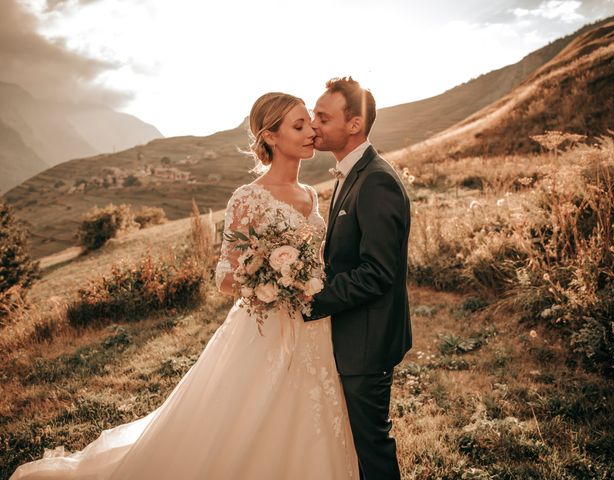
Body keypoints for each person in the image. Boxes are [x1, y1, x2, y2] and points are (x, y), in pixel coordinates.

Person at [10, 92, 358, 479]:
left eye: (310, 121)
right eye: (299, 125)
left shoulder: (311, 195)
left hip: (312, 328)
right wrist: (273, 281)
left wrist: (305, 279)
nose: (311, 130)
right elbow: (224, 277)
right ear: (271, 137)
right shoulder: (248, 198)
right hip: (263, 331)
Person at [304, 77, 412, 480]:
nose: (314, 124)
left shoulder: (377, 180)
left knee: (371, 448)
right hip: (352, 333)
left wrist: (310, 299)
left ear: (354, 125)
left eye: (322, 117)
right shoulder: (350, 173)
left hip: (367, 340)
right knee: (354, 443)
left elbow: (378, 272)